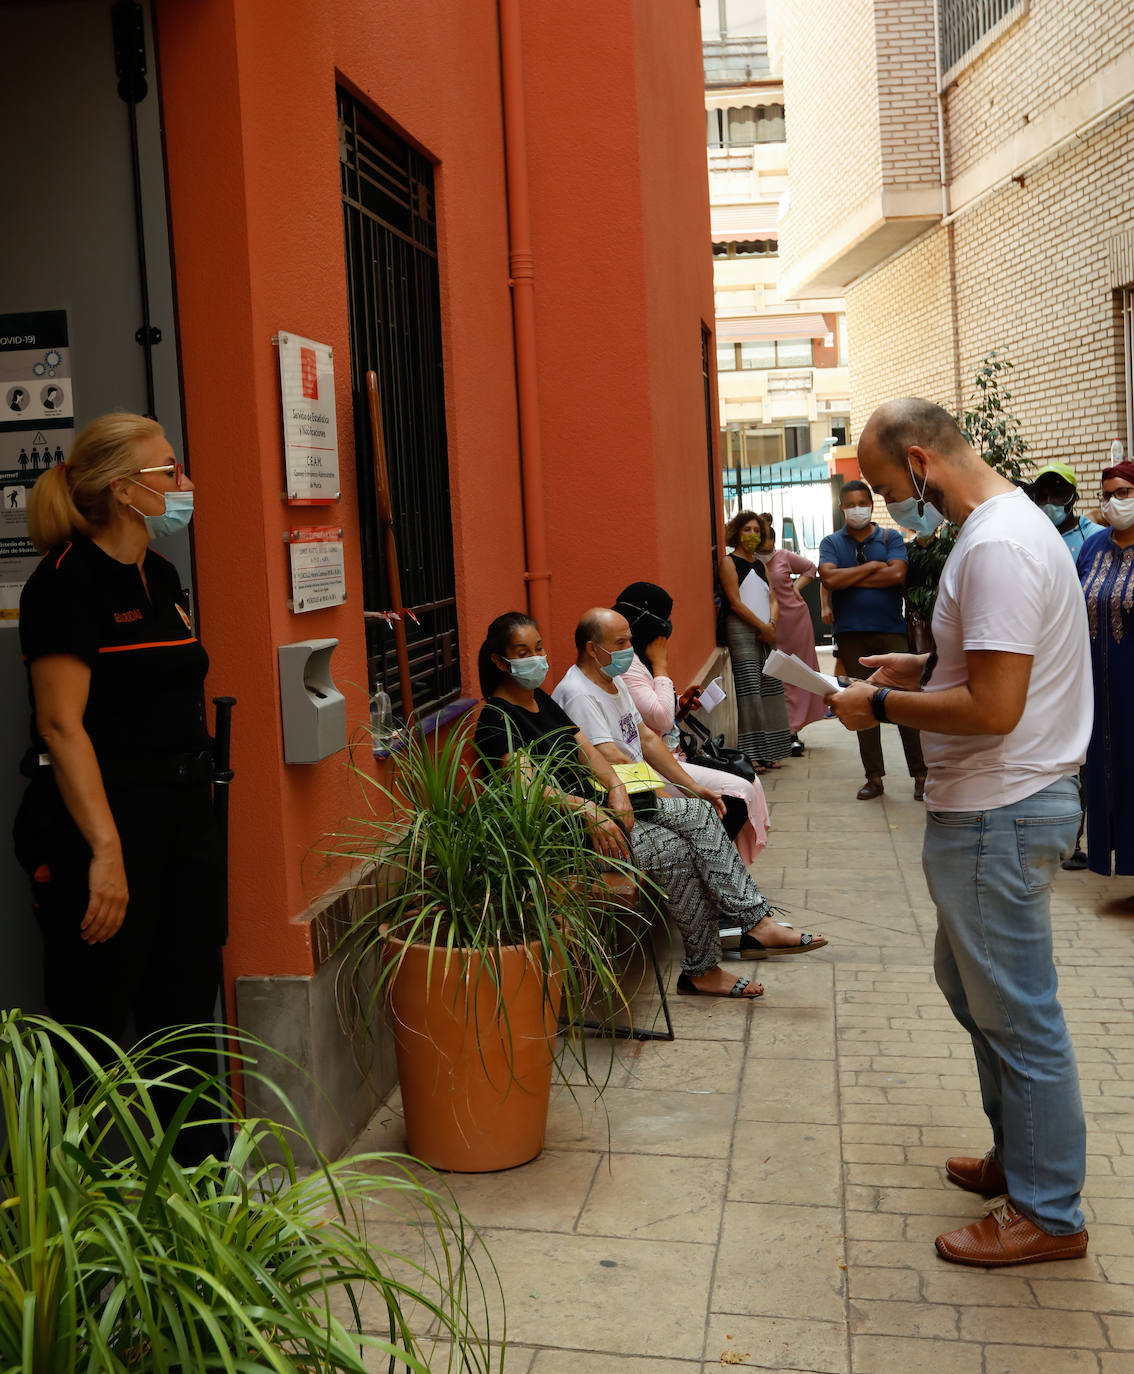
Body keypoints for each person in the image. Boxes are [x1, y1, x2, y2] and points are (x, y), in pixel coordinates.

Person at [828, 397, 1091, 1267]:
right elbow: (989, 671)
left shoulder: (999, 545)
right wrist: (924, 666)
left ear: (919, 461)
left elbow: (995, 707)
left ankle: (1048, 1212)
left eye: (884, 487)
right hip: (992, 809)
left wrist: (880, 706)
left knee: (1016, 1014)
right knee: (973, 990)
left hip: (998, 811)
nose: (886, 504)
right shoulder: (1001, 532)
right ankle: (1023, 1157)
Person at [13, 412, 226, 1163]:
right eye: (169, 471)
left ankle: (202, 1195)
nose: (185, 483)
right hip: (105, 829)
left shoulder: (159, 575)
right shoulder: (63, 584)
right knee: (91, 1030)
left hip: (183, 825)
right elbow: (60, 726)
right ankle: (71, 1204)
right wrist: (107, 853)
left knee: (186, 1021)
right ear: (123, 489)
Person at [477, 612, 825, 999]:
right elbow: (529, 787)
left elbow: (586, 750)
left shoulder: (540, 700)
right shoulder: (496, 719)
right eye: (523, 652)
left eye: (539, 648)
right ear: (500, 661)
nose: (536, 659)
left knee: (699, 813)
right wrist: (586, 809)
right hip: (571, 834)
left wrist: (615, 788)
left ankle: (754, 922)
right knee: (673, 849)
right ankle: (704, 968)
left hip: (610, 809)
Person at [612, 581, 770, 865]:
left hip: (667, 754)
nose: (666, 627)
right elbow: (659, 719)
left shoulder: (638, 658)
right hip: (647, 767)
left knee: (749, 780)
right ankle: (718, 866)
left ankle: (727, 867)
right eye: (663, 618)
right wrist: (661, 665)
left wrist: (680, 704)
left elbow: (654, 716)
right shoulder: (627, 665)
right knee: (737, 795)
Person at [819, 480, 926, 801]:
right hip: (851, 633)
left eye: (862, 503)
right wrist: (873, 568)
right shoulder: (831, 542)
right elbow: (828, 578)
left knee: (906, 703)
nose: (857, 509)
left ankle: (921, 775)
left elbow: (897, 575)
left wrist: (849, 577)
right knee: (862, 703)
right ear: (842, 508)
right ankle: (874, 778)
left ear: (871, 504)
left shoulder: (890, 537)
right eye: (850, 504)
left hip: (891, 631)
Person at [1076, 457, 1134, 888]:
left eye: (1124, 493)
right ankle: (1109, 853)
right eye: (1108, 494)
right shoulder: (1093, 547)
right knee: (1103, 768)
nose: (1114, 502)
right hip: (1096, 685)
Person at [718, 511, 791, 770]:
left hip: (766, 631)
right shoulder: (728, 562)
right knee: (749, 689)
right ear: (737, 532)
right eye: (747, 529)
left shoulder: (761, 565)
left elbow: (772, 598)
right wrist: (762, 626)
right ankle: (752, 754)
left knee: (771, 687)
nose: (752, 535)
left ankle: (772, 750)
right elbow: (735, 602)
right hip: (741, 629)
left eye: (757, 531)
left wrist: (772, 625)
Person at [752, 516, 825, 753]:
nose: (765, 544)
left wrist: (795, 587)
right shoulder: (749, 560)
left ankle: (792, 730)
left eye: (768, 539)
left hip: (794, 622)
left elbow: (810, 568)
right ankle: (781, 730)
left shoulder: (783, 556)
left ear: (773, 540)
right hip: (766, 625)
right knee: (775, 677)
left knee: (794, 674)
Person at [1028, 461, 1104, 560]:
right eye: (1042, 496)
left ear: (1073, 498)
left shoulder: (1095, 536)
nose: (1049, 502)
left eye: (1057, 495)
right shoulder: (1033, 537)